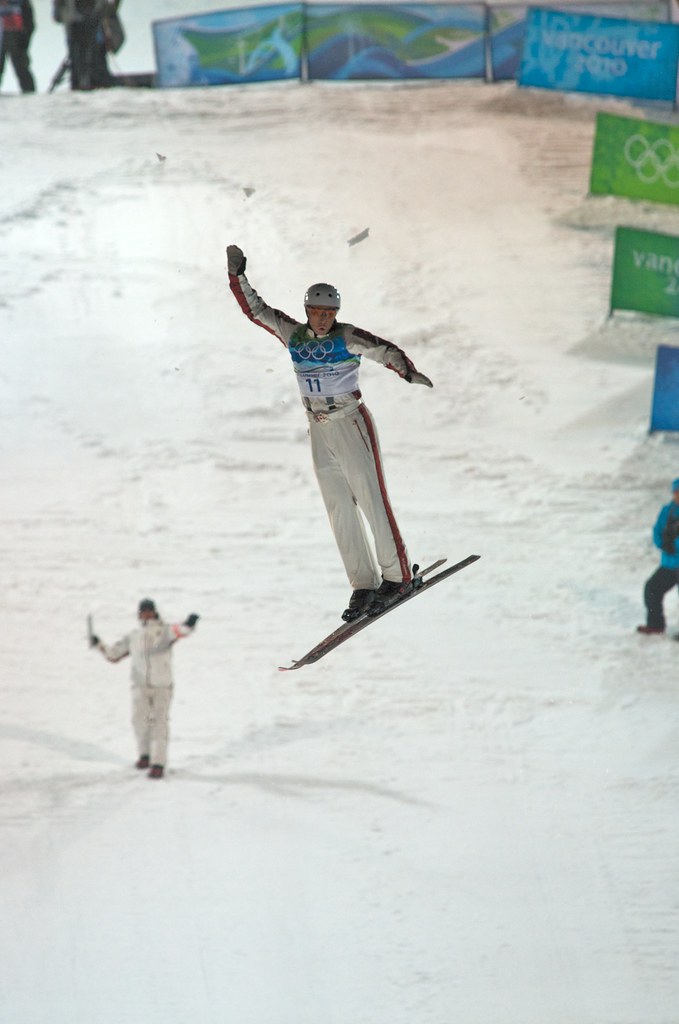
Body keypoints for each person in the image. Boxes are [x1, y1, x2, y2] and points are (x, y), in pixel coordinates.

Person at [226, 243, 433, 621]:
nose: (322, 319)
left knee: (371, 498)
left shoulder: (346, 336)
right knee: (339, 506)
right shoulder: (294, 335)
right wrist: (237, 276)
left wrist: (406, 370)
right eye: (317, 313)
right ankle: (363, 584)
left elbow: (382, 349)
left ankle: (397, 576)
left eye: (328, 313)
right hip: (318, 428)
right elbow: (257, 311)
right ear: (307, 312)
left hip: (350, 421)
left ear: (336, 313)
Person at [90, 598, 199, 779]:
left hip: (161, 685)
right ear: (139, 614)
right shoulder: (134, 636)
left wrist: (190, 624)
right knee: (139, 721)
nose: (146, 614)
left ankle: (158, 763)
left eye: (149, 610)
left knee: (159, 723)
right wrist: (99, 644)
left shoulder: (164, 631)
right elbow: (114, 654)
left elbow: (181, 631)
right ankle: (144, 755)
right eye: (143, 611)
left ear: (154, 612)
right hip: (140, 685)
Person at [637, 478, 679, 636]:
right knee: (652, 588)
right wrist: (662, 544)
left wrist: (674, 546)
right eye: (676, 492)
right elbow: (657, 531)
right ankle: (655, 625)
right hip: (669, 564)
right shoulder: (667, 510)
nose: (678, 495)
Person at [52, 0, 114, 90]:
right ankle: (83, 83)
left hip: (85, 22)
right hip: (78, 22)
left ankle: (88, 82)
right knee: (80, 57)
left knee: (86, 56)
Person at [0, 0, 35, 93]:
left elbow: (29, 21)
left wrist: (25, 40)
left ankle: (30, 96)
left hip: (16, 36)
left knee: (22, 69)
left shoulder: (21, 2)